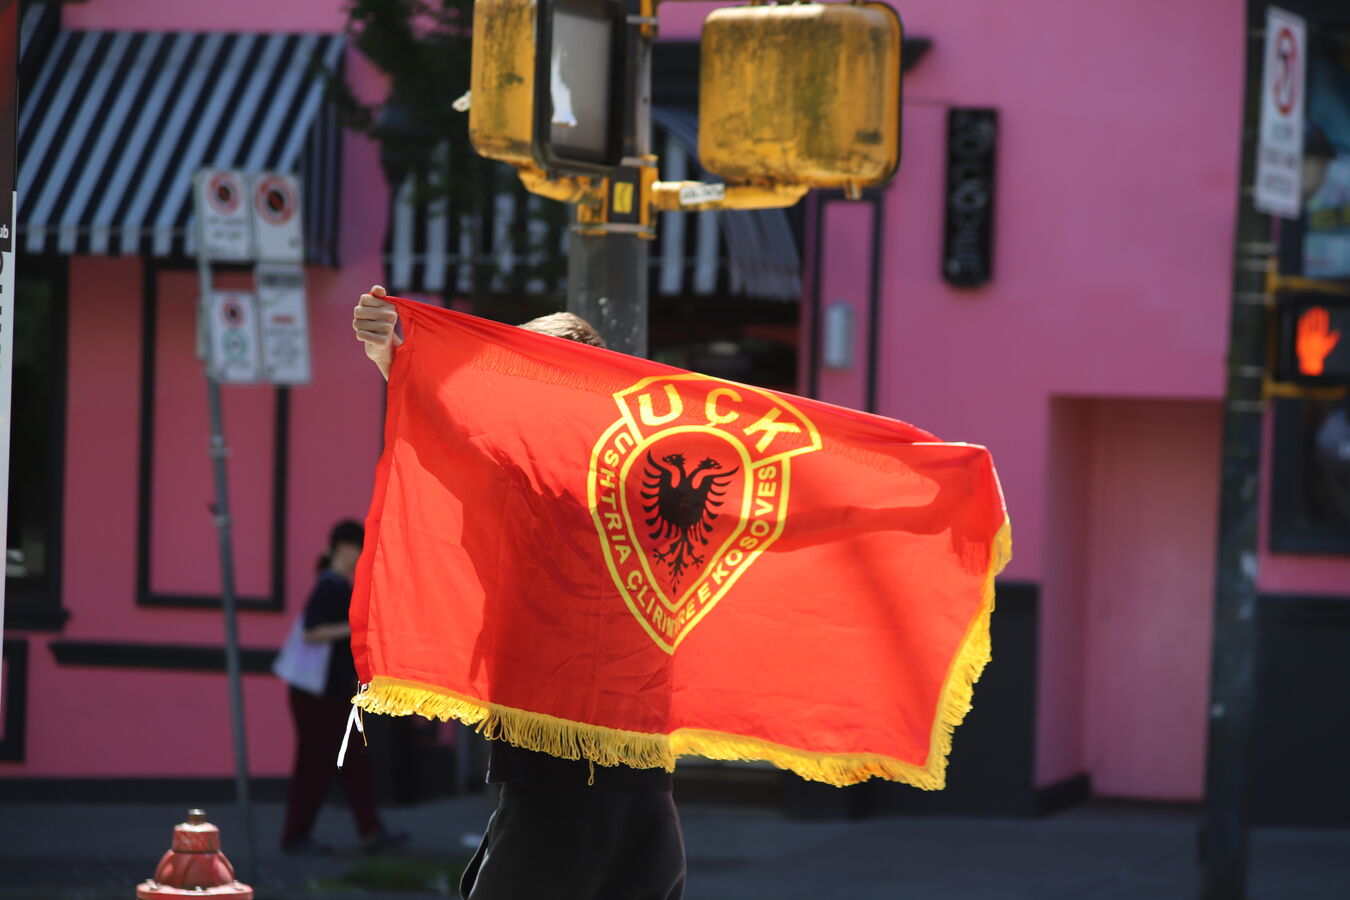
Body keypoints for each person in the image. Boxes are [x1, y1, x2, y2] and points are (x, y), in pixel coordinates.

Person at [352, 286, 687, 900]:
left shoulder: (545, 494)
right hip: (637, 805)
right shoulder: (641, 497)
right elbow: (453, 438)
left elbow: (454, 441)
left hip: (565, 801)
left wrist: (395, 361)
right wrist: (394, 359)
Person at [280, 519, 407, 855]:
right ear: (342, 547)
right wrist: (354, 628)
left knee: (343, 762)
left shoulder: (338, 585)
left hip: (327, 694)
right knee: (323, 764)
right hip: (318, 696)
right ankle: (303, 836)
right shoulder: (330, 586)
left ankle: (365, 831)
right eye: (357, 547)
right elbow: (312, 631)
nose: (360, 555)